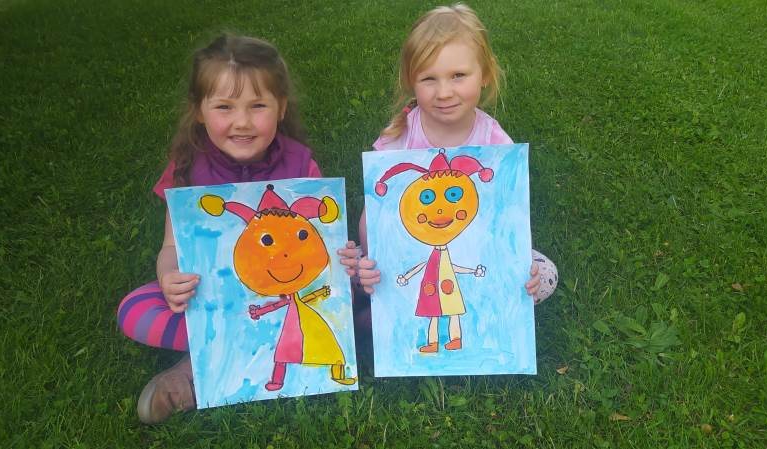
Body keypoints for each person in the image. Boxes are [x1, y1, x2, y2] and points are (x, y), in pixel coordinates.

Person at [117, 34, 322, 424]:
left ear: (281, 107)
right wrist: (169, 279)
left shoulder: (300, 168)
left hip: (281, 298)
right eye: (224, 107)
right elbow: (170, 247)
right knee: (135, 311)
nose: (242, 122)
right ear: (199, 110)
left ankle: (193, 369)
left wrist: (343, 260)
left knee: (355, 296)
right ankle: (223, 351)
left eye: (258, 106)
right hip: (213, 300)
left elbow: (319, 248)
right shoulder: (188, 169)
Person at [339, 4, 558, 313]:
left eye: (458, 76)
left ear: (484, 74)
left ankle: (483, 311)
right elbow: (374, 215)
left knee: (543, 273)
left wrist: (516, 265)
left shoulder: (495, 144)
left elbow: (507, 214)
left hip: (475, 250)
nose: (444, 92)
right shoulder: (399, 139)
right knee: (346, 269)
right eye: (429, 79)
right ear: (411, 81)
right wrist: (376, 261)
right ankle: (381, 309)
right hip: (409, 252)